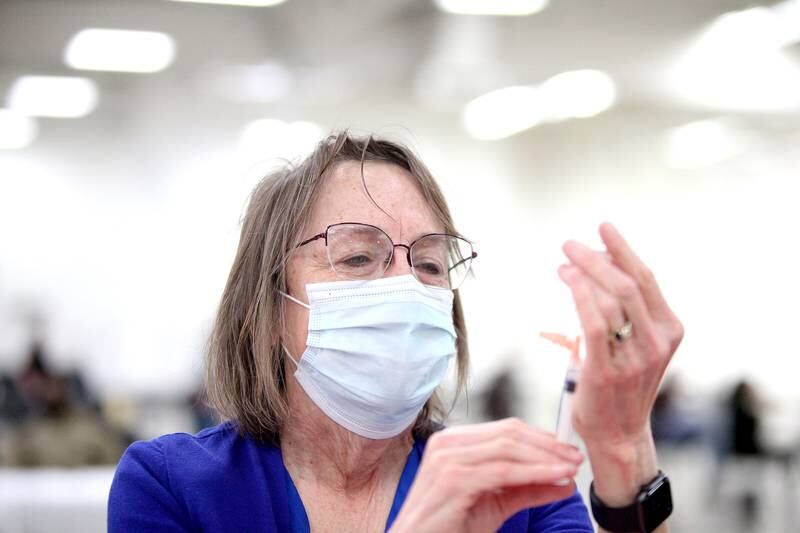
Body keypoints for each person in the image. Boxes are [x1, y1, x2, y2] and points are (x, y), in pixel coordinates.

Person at [108, 132, 684, 532]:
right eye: (359, 257)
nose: (408, 286)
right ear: (267, 304)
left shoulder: (514, 494)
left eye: (431, 264)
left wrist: (624, 450)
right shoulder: (173, 486)